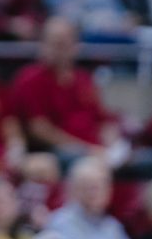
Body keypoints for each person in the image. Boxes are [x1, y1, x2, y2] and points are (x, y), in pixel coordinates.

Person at [9, 17, 121, 160]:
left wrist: (111, 140)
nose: (59, 50)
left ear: (76, 46)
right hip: (59, 151)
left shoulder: (84, 79)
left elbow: (102, 119)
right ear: (42, 45)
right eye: (54, 44)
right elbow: (40, 130)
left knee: (148, 159)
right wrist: (87, 150)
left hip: (97, 149)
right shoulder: (30, 79)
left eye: (64, 44)